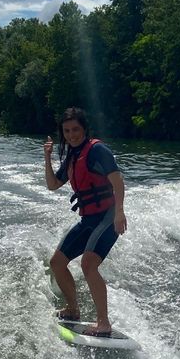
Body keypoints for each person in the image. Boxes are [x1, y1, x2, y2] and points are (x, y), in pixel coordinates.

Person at [44, 107, 127, 337]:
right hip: (88, 219)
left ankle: (103, 322)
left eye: (76, 129)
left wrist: (120, 212)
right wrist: (47, 158)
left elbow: (117, 181)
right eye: (67, 131)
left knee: (88, 264)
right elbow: (52, 185)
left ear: (84, 129)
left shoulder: (97, 150)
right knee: (57, 262)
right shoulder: (72, 156)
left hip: (108, 217)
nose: (72, 135)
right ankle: (73, 310)